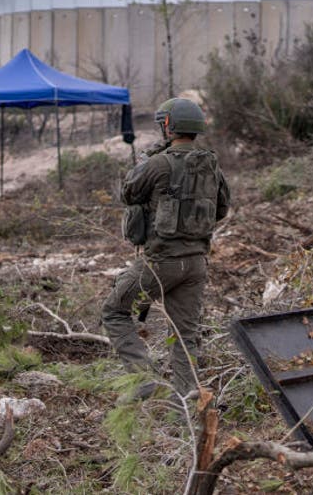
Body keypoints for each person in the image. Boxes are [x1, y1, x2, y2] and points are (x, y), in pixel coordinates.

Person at [101, 98, 230, 400]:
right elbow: (221, 209)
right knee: (186, 336)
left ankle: (144, 379)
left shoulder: (158, 163)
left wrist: (151, 160)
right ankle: (183, 408)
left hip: (160, 263)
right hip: (196, 264)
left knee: (114, 310)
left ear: (168, 126)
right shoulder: (211, 164)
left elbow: (128, 192)